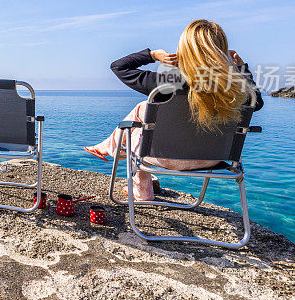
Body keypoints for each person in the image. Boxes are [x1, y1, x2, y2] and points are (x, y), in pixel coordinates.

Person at [84, 19, 263, 201]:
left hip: (162, 157)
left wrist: (152, 55)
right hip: (214, 160)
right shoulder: (235, 90)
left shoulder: (168, 82)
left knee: (138, 125)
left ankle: (134, 179)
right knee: (143, 109)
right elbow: (257, 102)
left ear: (185, 48)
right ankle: (110, 147)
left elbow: (118, 67)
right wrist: (241, 69)